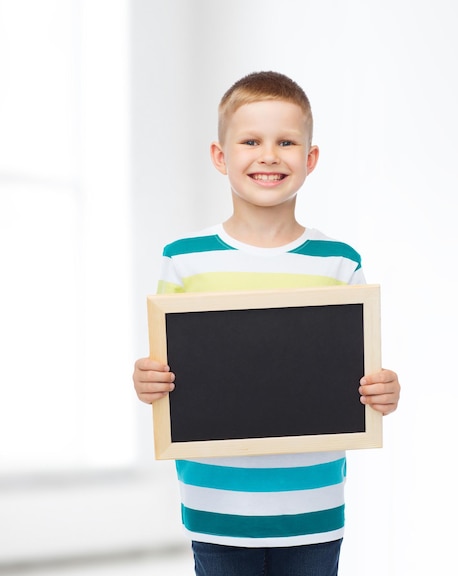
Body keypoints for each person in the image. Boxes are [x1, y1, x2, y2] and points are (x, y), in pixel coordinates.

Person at [132, 71, 401, 576]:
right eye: (251, 141)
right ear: (220, 156)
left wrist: (385, 389)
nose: (269, 155)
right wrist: (146, 380)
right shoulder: (184, 258)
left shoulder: (339, 261)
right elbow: (165, 365)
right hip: (216, 505)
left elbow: (360, 374)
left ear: (310, 158)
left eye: (286, 142)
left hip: (313, 504)